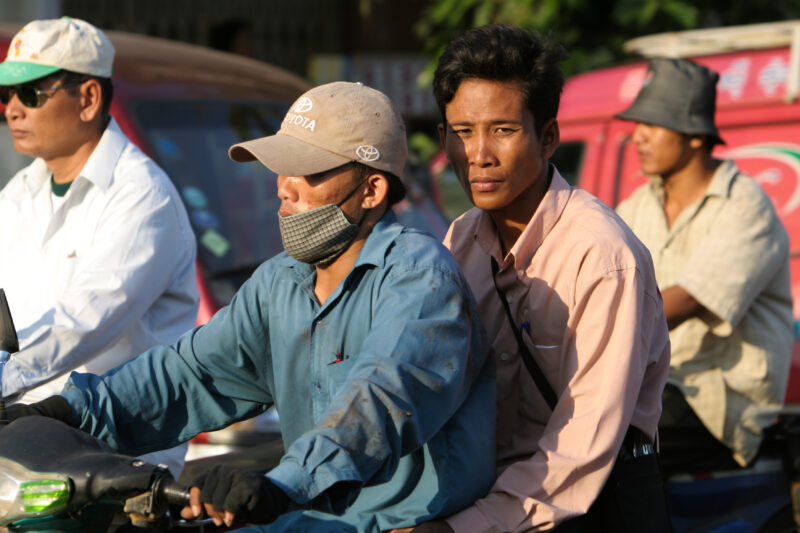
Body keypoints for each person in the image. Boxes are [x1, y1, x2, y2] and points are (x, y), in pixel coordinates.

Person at [12, 81, 496, 532]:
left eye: (309, 171)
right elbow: (190, 374)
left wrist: (281, 484)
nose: (285, 186)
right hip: (306, 518)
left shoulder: (420, 277)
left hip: (403, 524)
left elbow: (379, 401)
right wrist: (63, 411)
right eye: (283, 168)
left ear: (371, 190)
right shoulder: (281, 281)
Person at [397, 24, 672, 532]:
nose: (479, 153)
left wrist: (461, 529)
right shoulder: (460, 241)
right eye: (462, 132)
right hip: (493, 505)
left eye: (502, 129)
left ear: (547, 137)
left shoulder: (602, 256)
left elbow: (583, 447)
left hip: (593, 506)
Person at [0, 17, 198, 475]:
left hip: (118, 461)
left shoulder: (142, 196)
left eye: (30, 93)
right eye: (6, 95)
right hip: (28, 447)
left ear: (87, 98)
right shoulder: (19, 194)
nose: (13, 109)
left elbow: (83, 322)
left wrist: (4, 377)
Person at [615, 57, 793, 474]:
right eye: (638, 124)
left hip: (719, 402)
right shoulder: (636, 206)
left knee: (610, 446)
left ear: (695, 136)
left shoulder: (746, 205)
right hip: (656, 386)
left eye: (653, 124)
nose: (638, 136)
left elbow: (691, 299)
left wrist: (600, 330)